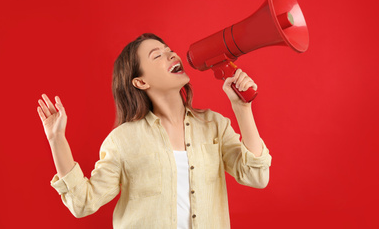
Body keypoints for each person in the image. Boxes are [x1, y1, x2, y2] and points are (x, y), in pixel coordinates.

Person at [37, 33, 272, 229]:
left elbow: (257, 177)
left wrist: (242, 108)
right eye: (157, 55)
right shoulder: (122, 141)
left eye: (169, 50)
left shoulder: (214, 125)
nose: (172, 54)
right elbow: (82, 203)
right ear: (140, 82)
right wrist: (56, 139)